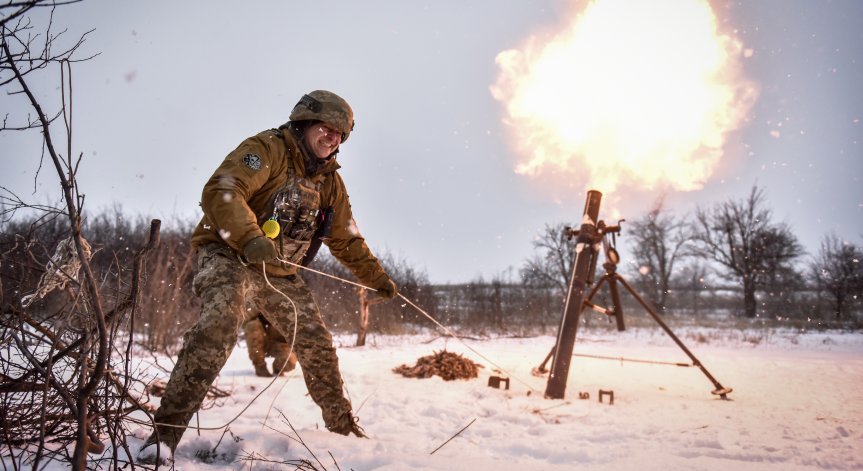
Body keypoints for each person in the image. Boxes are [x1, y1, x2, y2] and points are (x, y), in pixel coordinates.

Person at [138, 90, 398, 464]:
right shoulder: (267, 149)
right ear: (305, 123)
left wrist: (377, 278)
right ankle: (163, 437)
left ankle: (344, 433)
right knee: (220, 326)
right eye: (326, 128)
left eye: (340, 135)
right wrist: (250, 238)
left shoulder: (330, 184)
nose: (333, 139)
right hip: (230, 255)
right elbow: (222, 190)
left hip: (280, 275)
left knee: (317, 345)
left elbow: (346, 238)